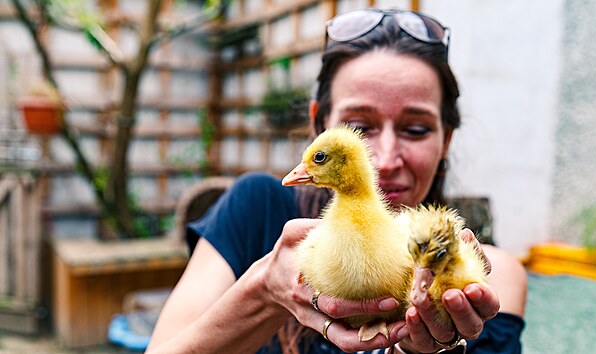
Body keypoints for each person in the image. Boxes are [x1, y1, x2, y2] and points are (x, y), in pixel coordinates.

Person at [147, 8, 527, 354]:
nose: (383, 160)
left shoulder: (483, 276)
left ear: (446, 139)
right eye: (360, 127)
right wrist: (265, 292)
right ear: (319, 123)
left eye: (415, 128)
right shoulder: (257, 208)